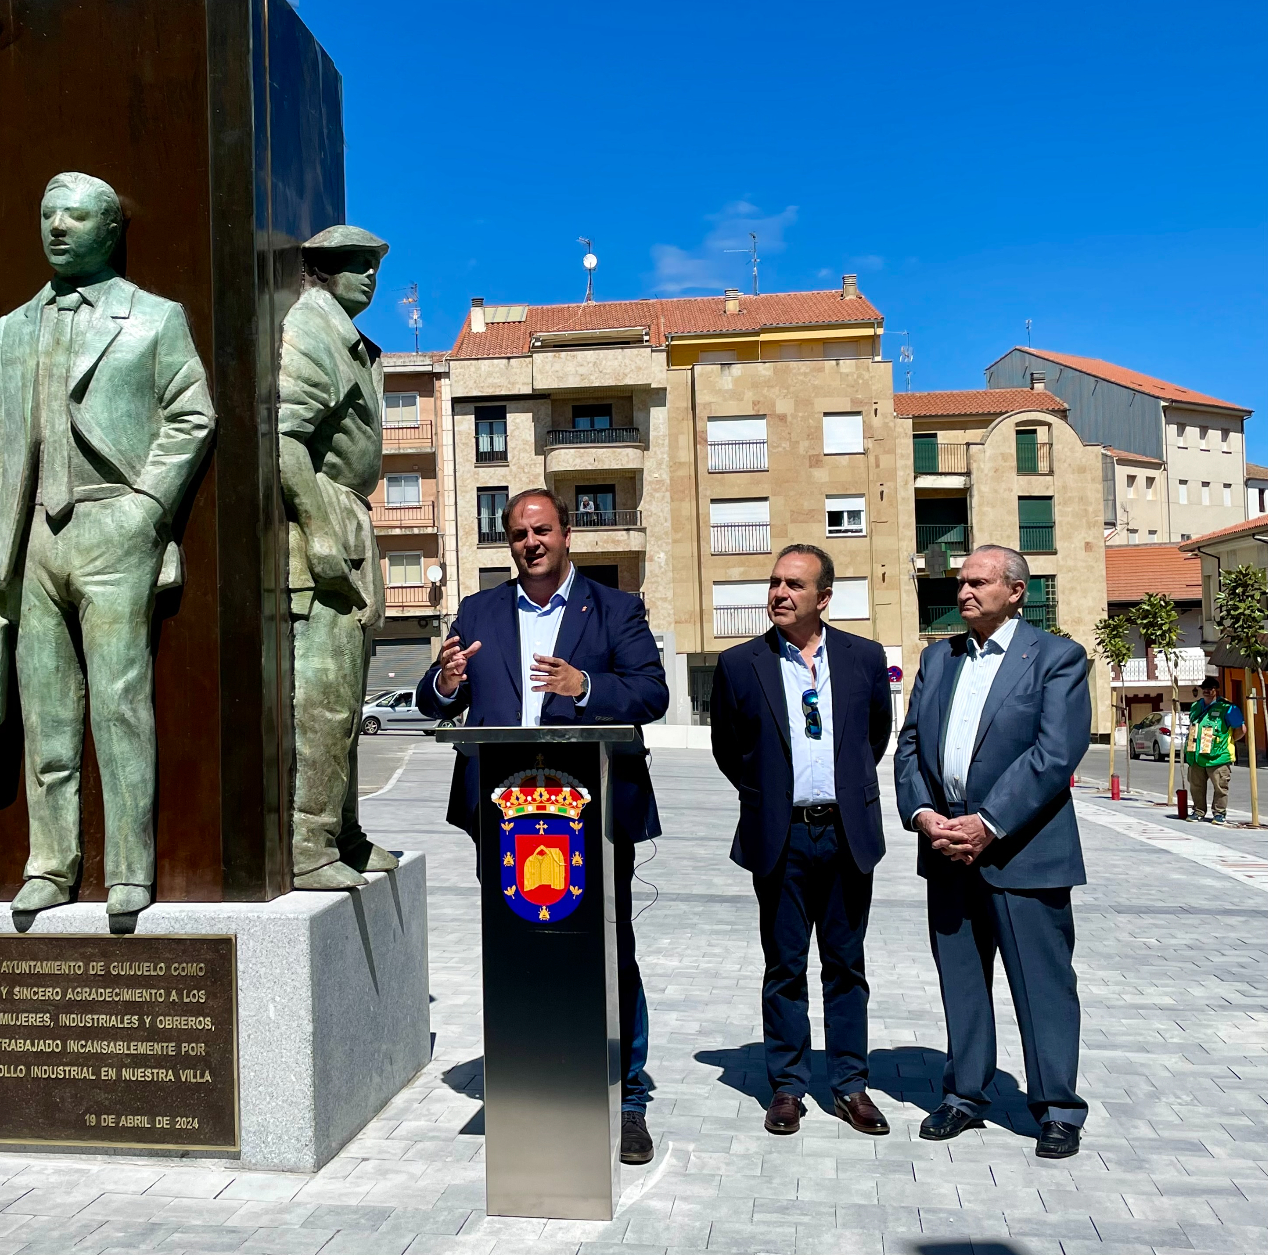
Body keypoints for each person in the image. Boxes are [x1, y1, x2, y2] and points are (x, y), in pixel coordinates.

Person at [0, 172, 214, 925]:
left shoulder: (153, 317)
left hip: (114, 527)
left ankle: (130, 870)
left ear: (110, 227)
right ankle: (50, 862)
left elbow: (192, 414)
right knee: (46, 709)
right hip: (32, 538)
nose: (56, 227)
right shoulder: (13, 327)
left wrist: (146, 508)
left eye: (74, 216)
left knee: (119, 703)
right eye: (46, 214)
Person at [414, 488, 668, 1163]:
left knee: (607, 946)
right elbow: (435, 695)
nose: (531, 542)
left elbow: (652, 692)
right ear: (509, 542)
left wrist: (583, 686)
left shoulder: (614, 609)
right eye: (519, 533)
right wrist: (442, 680)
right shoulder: (479, 611)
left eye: (543, 530)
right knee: (518, 946)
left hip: (590, 812)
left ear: (565, 536)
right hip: (504, 814)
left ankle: (627, 1092)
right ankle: (534, 1082)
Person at [895, 544, 1091, 1159]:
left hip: (1023, 852)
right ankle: (964, 1095)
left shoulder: (1055, 657)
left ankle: (1057, 1108)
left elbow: (1055, 754)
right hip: (947, 851)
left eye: (978, 582)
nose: (963, 593)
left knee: (1042, 984)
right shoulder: (937, 658)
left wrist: (988, 822)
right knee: (961, 982)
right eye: (960, 584)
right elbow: (908, 746)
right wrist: (924, 814)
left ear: (1015, 591)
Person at [709, 544, 894, 1136]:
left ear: (824, 598)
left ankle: (850, 1085)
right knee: (783, 966)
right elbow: (728, 749)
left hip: (845, 834)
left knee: (846, 966)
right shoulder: (741, 665)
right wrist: (768, 795)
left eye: (794, 584)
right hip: (781, 837)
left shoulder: (863, 659)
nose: (780, 594)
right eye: (774, 583)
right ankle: (786, 1086)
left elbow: (874, 736)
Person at [278, 224, 398, 889]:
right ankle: (309, 844)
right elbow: (284, 438)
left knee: (348, 700)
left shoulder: (347, 338)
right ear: (321, 269)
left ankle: (342, 833)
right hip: (326, 521)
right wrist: (320, 531)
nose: (369, 276)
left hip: (352, 518)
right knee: (323, 701)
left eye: (373, 265)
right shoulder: (314, 330)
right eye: (356, 264)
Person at [1183, 677, 1245, 826]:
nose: (1206, 690)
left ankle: (1219, 814)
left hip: (1218, 756)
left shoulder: (1228, 708)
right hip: (1196, 756)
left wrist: (1227, 742)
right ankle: (1198, 811)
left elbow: (1241, 730)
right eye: (1204, 688)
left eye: (1210, 688)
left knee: (1220, 787)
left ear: (1216, 690)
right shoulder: (1195, 706)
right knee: (1196, 786)